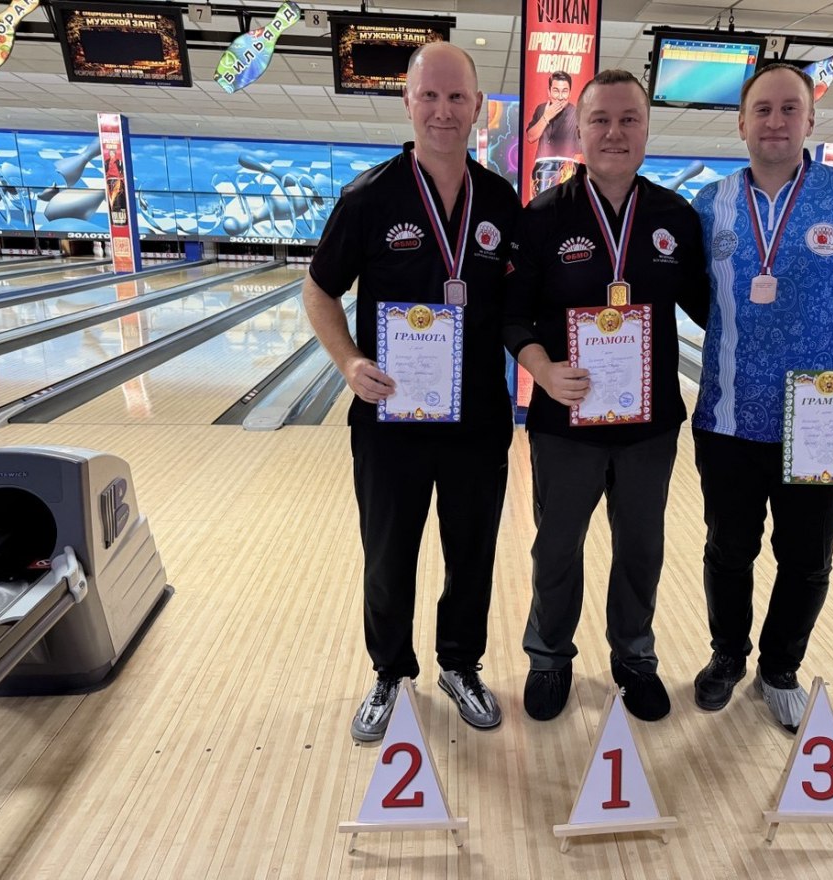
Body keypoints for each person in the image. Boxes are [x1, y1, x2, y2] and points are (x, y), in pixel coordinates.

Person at [304, 42, 520, 742]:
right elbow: (319, 290)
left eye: (456, 97)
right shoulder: (368, 198)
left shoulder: (499, 199)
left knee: (471, 555)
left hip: (477, 421)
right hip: (389, 418)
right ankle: (390, 673)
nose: (443, 110)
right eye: (429, 95)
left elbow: (518, 303)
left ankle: (459, 665)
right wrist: (347, 362)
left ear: (477, 106)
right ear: (407, 102)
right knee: (388, 555)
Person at [689, 63, 833, 731]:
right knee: (729, 549)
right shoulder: (710, 203)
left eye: (789, 109)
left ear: (810, 120)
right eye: (762, 109)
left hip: (823, 416)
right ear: (741, 123)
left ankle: (779, 667)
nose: (775, 121)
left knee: (807, 557)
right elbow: (695, 300)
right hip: (727, 413)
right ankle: (727, 655)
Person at [505, 69, 709, 723]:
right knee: (556, 547)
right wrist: (542, 368)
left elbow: (712, 310)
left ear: (646, 129)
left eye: (628, 119)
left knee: (641, 548)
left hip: (649, 425)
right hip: (565, 420)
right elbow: (511, 315)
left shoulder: (675, 218)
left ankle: (634, 657)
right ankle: (549, 656)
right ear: (580, 129)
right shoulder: (543, 217)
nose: (614, 132)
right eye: (600, 119)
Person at [525, 71, 580, 200]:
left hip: (567, 170)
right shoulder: (541, 109)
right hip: (543, 170)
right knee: (540, 209)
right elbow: (531, 137)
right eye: (556, 91)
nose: (560, 97)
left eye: (564, 91)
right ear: (549, 92)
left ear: (569, 93)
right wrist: (546, 116)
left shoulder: (576, 113)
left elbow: (583, 148)